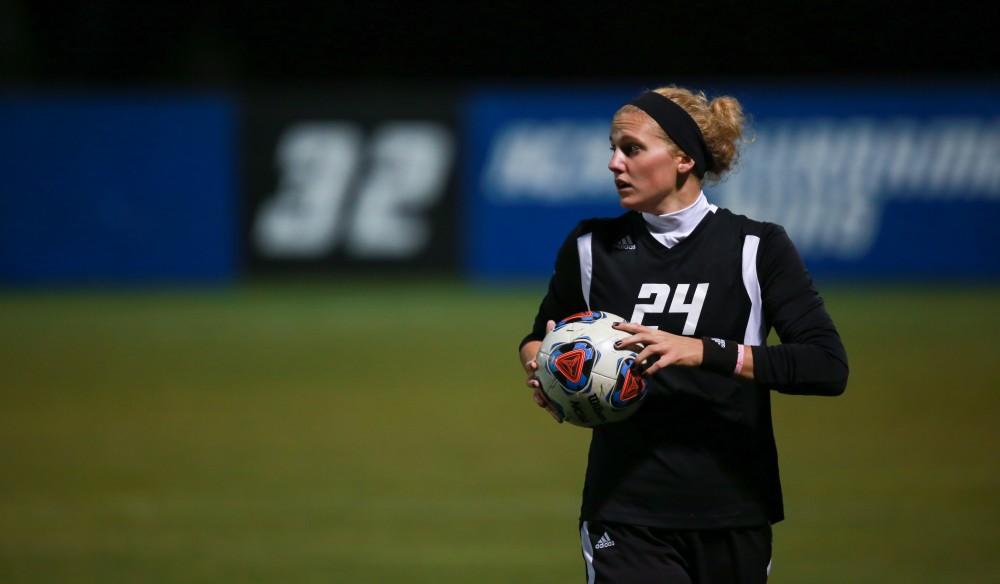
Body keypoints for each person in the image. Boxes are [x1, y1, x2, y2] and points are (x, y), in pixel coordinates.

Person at [518, 85, 849, 584]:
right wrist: (545, 368)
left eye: (631, 148)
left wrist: (704, 352)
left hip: (734, 507)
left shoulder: (756, 247)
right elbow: (539, 333)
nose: (614, 163)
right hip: (625, 510)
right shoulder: (591, 247)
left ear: (682, 159)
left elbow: (827, 366)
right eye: (612, 148)